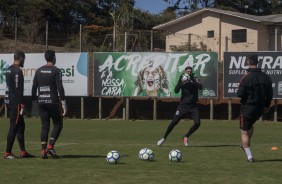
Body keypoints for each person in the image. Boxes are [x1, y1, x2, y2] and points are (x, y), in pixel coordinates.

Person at [31, 50, 67, 159]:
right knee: (58, 124)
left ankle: (43, 151)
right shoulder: (56, 70)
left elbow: (34, 88)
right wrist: (64, 103)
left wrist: (34, 101)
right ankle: (50, 146)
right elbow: (60, 87)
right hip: (53, 101)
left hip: (41, 101)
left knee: (44, 126)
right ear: (54, 58)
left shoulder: (38, 71)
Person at [237, 54, 273, 162]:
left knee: (244, 132)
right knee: (250, 127)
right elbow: (270, 94)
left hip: (247, 109)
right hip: (259, 109)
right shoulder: (266, 77)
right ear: (257, 62)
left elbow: (239, 94)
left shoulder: (246, 77)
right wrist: (267, 106)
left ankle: (249, 156)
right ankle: (245, 145)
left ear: (248, 62)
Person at [157, 66, 203, 147]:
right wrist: (181, 82)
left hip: (193, 106)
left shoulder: (195, 79)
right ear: (185, 72)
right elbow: (176, 90)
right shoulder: (182, 79)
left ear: (192, 72)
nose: (189, 72)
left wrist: (192, 79)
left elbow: (200, 87)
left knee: (197, 123)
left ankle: (186, 137)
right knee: (174, 122)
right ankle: (163, 138)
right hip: (183, 106)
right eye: (187, 71)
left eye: (190, 71)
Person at [4, 50, 35, 159]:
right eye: (24, 59)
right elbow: (17, 89)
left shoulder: (8, 69)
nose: (24, 62)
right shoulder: (17, 71)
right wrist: (21, 102)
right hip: (15, 103)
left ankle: (23, 152)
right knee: (14, 127)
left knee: (21, 126)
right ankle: (7, 153)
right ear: (21, 58)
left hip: (9, 101)